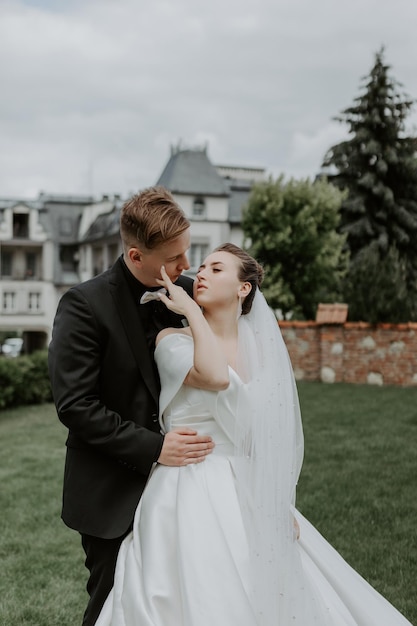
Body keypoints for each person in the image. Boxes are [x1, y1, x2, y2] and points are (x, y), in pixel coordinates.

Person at [94, 242, 413, 626]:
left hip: (245, 484)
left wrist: (278, 502)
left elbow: (266, 433)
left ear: (243, 289)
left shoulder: (262, 350)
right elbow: (213, 375)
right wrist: (192, 312)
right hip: (186, 483)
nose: (201, 275)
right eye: (203, 268)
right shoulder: (171, 340)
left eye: (216, 269)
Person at [48, 186, 215, 626]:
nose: (186, 266)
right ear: (137, 256)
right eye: (174, 258)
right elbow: (75, 406)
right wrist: (155, 448)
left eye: (187, 252)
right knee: (113, 608)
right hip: (111, 493)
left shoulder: (188, 296)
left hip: (187, 490)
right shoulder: (83, 305)